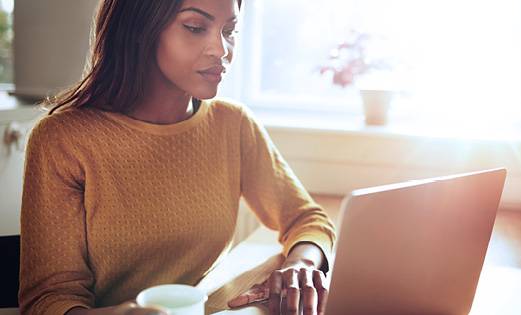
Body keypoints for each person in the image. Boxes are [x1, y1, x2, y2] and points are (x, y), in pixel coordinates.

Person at [18, 0, 336, 314]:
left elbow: (307, 220)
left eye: (230, 30)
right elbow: (48, 300)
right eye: (195, 28)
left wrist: (301, 265)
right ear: (140, 29)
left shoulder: (233, 125)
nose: (221, 49)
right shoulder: (62, 140)